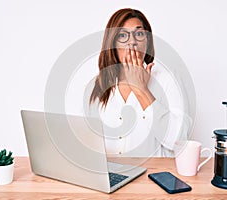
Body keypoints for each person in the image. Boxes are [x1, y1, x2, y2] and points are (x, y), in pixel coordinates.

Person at [67, 8, 191, 157]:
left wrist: (141, 90)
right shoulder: (96, 85)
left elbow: (179, 141)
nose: (132, 42)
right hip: (110, 175)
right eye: (123, 35)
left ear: (147, 41)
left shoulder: (168, 79)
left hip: (153, 176)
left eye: (139, 34)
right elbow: (83, 142)